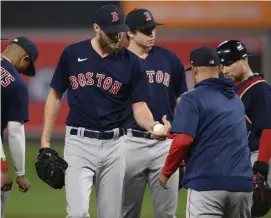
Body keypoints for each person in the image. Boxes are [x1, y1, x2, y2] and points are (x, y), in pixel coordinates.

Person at [38, 4, 166, 218]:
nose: (117, 36)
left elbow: (140, 106)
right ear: (97, 28)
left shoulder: (132, 63)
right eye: (111, 31)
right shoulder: (73, 53)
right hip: (79, 143)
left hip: (115, 146)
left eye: (120, 31)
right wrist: (45, 141)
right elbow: (55, 96)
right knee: (77, 214)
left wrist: (153, 125)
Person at [158, 46, 253, 218]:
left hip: (207, 185)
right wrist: (172, 131)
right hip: (242, 186)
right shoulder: (236, 100)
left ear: (193, 69)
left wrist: (166, 172)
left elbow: (184, 140)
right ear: (219, 68)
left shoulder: (191, 98)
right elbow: (216, 131)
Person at [121, 8, 187, 218]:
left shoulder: (169, 59)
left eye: (153, 29)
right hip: (127, 143)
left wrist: (181, 141)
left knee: (167, 214)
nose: (152, 34)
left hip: (165, 145)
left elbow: (182, 102)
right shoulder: (116, 62)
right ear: (129, 33)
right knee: (125, 213)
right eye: (145, 30)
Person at [217, 40, 271, 186]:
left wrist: (261, 166)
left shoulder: (259, 89)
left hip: (256, 157)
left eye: (228, 64)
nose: (224, 70)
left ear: (244, 59)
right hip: (239, 158)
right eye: (222, 66)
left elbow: (268, 129)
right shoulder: (236, 89)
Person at [1, 36, 38, 217]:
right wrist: (20, 173)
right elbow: (15, 133)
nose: (24, 71)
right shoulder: (16, 85)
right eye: (26, 68)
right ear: (24, 60)